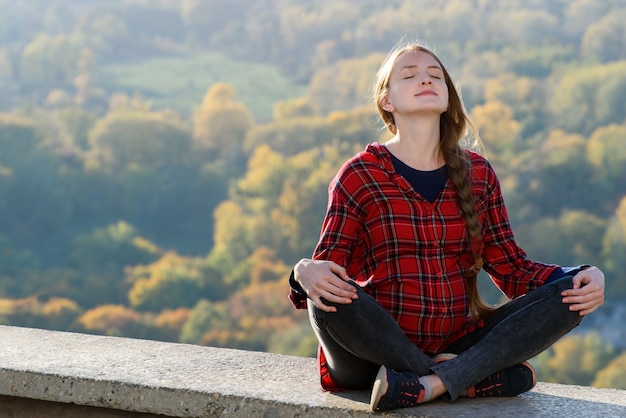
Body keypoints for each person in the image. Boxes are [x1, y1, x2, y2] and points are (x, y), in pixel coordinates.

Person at [287, 41, 605, 412]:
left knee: (569, 295)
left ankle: (429, 384)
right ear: (386, 100)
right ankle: (465, 379)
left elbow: (513, 270)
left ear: (448, 96)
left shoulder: (479, 174)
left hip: (458, 343)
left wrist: (581, 275)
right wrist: (301, 273)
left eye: (435, 75)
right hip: (371, 355)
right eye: (410, 75)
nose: (425, 79)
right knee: (326, 297)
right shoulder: (359, 175)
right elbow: (327, 273)